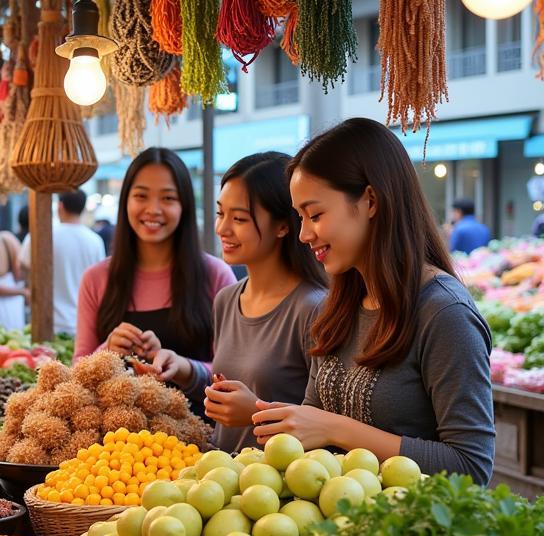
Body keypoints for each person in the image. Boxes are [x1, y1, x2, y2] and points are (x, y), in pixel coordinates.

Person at [251, 118, 495, 483]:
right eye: (300, 217)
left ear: (370, 201)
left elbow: (471, 467)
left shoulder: (444, 313)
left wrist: (337, 429)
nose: (303, 234)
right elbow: (315, 420)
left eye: (315, 214)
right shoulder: (335, 305)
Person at [182, 153, 328, 453]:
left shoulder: (313, 308)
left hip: (280, 489)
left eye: (239, 219)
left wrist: (255, 412)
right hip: (220, 481)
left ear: (283, 226)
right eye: (220, 213)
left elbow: (329, 424)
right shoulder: (226, 300)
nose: (222, 228)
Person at [75, 148, 236, 402]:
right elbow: (77, 372)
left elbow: (231, 374)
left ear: (184, 206)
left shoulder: (216, 275)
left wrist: (184, 367)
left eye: (168, 198)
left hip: (199, 437)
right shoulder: (96, 278)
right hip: (113, 439)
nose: (153, 209)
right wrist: (107, 351)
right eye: (141, 196)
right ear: (126, 200)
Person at [19, 190, 105, 336]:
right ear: (83, 209)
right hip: (84, 325)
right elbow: (100, 282)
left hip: (45, 324)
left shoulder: (40, 234)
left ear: (59, 206)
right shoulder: (95, 241)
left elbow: (22, 267)